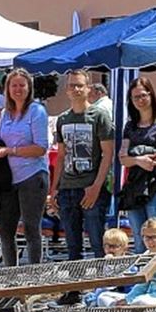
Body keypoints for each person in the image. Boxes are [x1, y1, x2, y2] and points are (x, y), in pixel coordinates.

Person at [48, 68, 115, 264]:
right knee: (72, 246)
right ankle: (74, 291)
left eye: (79, 85)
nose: (75, 89)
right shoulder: (62, 119)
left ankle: (102, 288)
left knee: (97, 242)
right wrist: (55, 189)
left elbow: (108, 154)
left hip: (91, 188)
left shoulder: (99, 116)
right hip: (67, 189)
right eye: (71, 86)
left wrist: (96, 187)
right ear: (67, 90)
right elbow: (60, 156)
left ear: (88, 89)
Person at [0, 67, 49, 267]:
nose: (17, 89)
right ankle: (10, 274)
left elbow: (41, 148)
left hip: (32, 176)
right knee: (5, 229)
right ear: (7, 89)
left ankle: (34, 273)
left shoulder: (37, 111)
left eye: (22, 85)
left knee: (32, 228)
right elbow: (1, 141)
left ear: (29, 87)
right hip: (9, 179)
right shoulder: (5, 113)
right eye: (13, 85)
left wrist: (10, 151)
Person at [119, 77, 156, 252]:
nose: (140, 100)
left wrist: (135, 154)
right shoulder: (130, 126)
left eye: (143, 95)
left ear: (151, 95)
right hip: (134, 188)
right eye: (135, 97)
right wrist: (138, 160)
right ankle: (142, 279)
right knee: (139, 237)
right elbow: (123, 158)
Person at [82, 227, 132, 306]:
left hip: (123, 295)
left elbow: (126, 287)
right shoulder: (104, 263)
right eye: (107, 245)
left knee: (102, 298)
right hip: (106, 294)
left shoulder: (130, 264)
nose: (110, 249)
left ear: (124, 249)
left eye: (114, 246)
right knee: (91, 297)